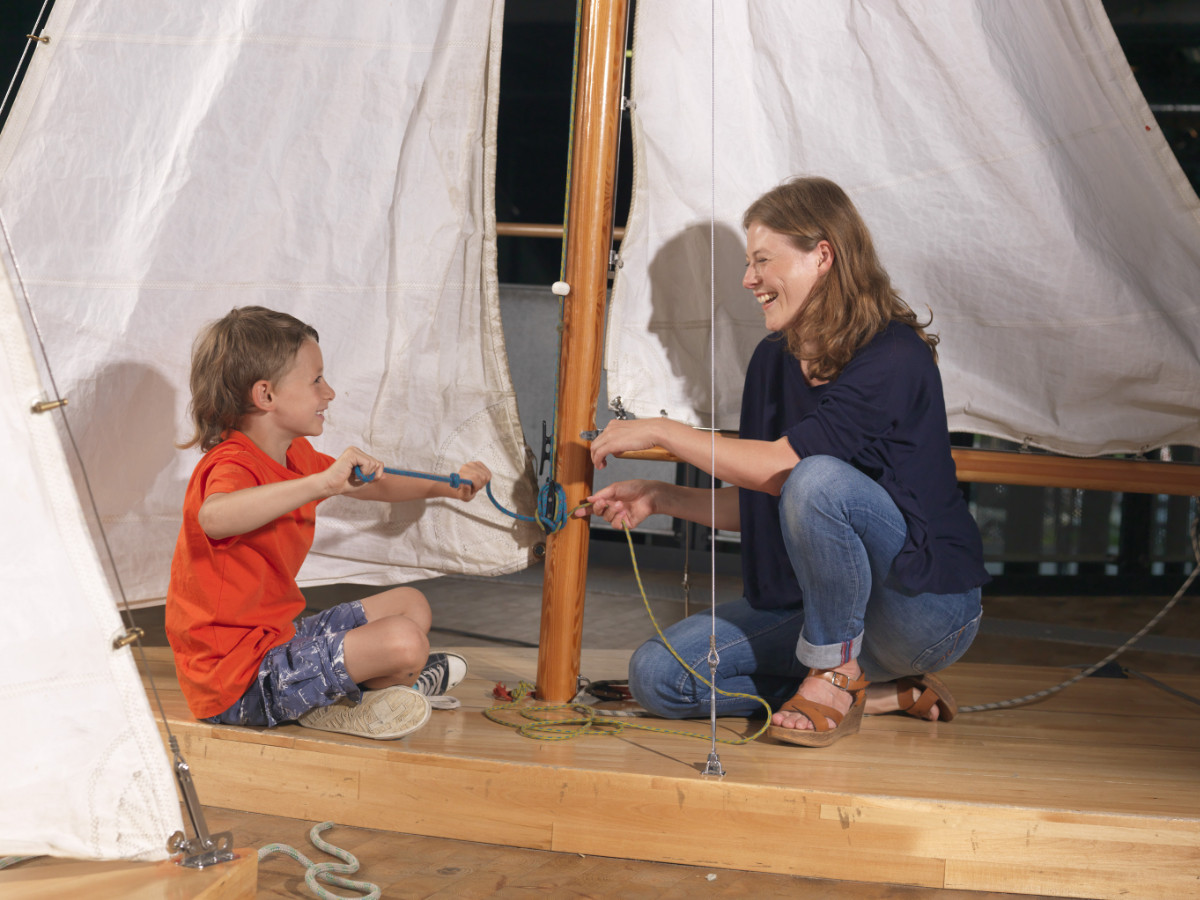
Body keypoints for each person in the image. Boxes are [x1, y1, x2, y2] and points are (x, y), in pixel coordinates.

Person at [579, 176, 988, 747]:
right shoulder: (772, 361)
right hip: (823, 610)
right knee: (658, 677)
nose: (749, 280)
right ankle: (876, 693)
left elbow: (790, 470)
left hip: (923, 611)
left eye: (763, 260)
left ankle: (835, 674)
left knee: (815, 476)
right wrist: (660, 496)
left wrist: (663, 431)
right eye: (749, 263)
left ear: (822, 256)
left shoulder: (894, 354)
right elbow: (769, 495)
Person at [166, 306, 491, 740]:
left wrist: (449, 486)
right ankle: (371, 693)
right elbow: (216, 516)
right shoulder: (230, 463)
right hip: (236, 683)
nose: (330, 392)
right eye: (316, 380)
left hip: (278, 640)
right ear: (265, 395)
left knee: (412, 606)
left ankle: (377, 687)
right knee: (405, 641)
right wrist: (320, 483)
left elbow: (375, 485)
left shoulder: (296, 456)